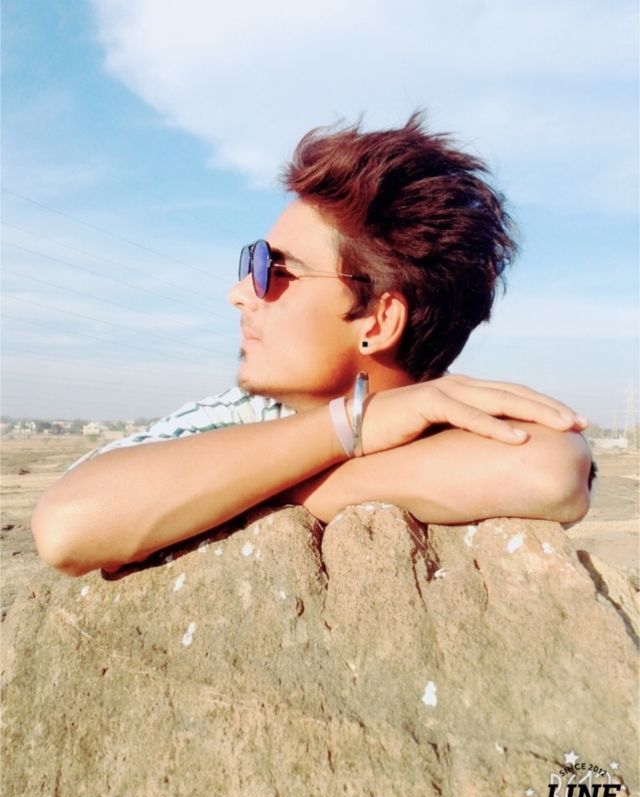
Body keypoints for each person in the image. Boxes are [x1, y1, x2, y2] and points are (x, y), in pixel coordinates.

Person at [31, 113, 594, 577]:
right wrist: (350, 426)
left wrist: (256, 487)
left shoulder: (447, 416)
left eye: (275, 270)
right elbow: (68, 525)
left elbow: (549, 472)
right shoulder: (239, 416)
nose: (240, 293)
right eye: (253, 261)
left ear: (378, 320)